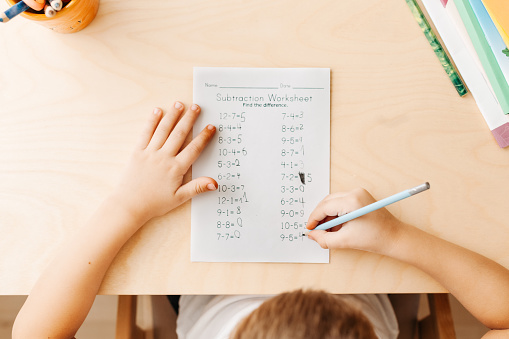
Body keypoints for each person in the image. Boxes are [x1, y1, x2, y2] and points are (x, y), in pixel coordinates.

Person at [12, 102, 509, 339]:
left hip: (200, 289)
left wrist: (127, 204)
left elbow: (35, 335)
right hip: (367, 269)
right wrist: (397, 237)